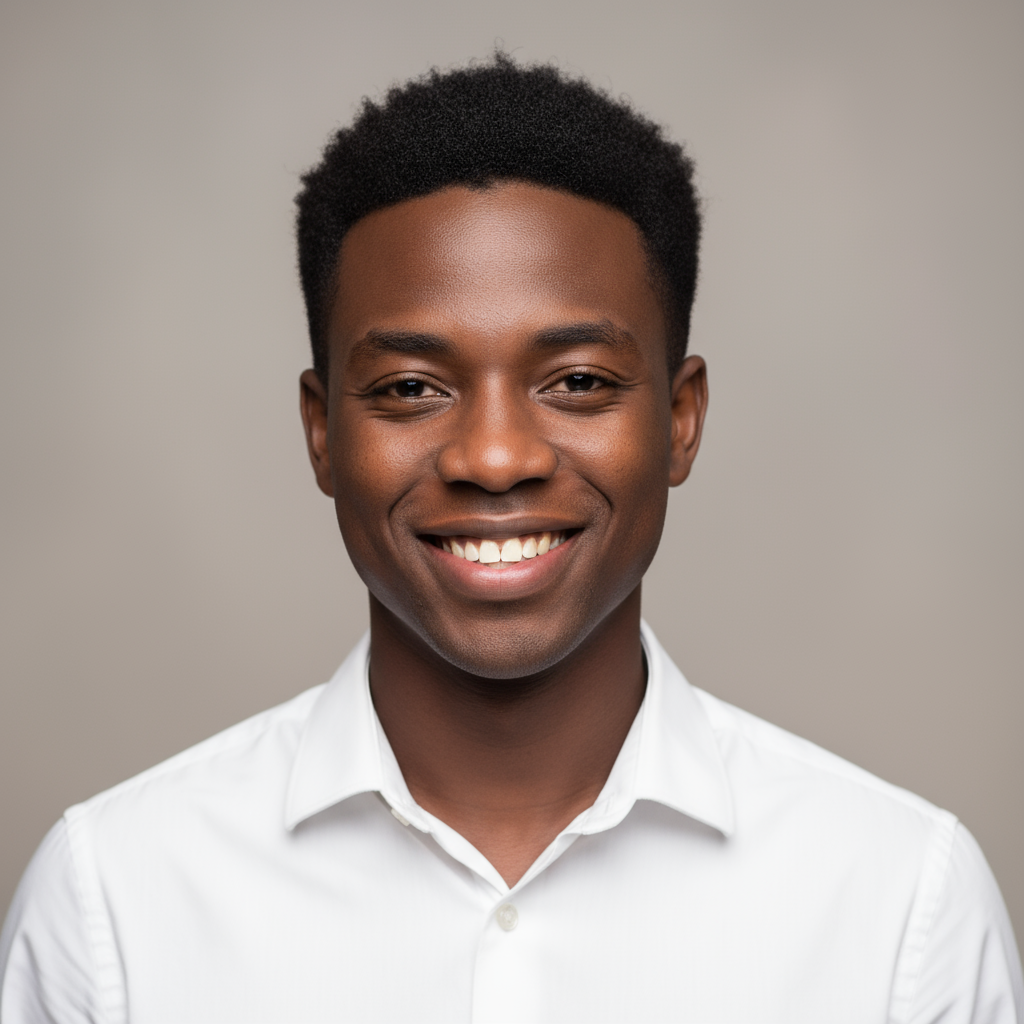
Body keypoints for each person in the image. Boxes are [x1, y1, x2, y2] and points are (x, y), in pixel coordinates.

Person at [1, 53, 1021, 1024]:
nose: (494, 457)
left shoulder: (899, 907)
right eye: (410, 387)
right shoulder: (113, 905)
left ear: (680, 418)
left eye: (576, 380)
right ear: (322, 433)